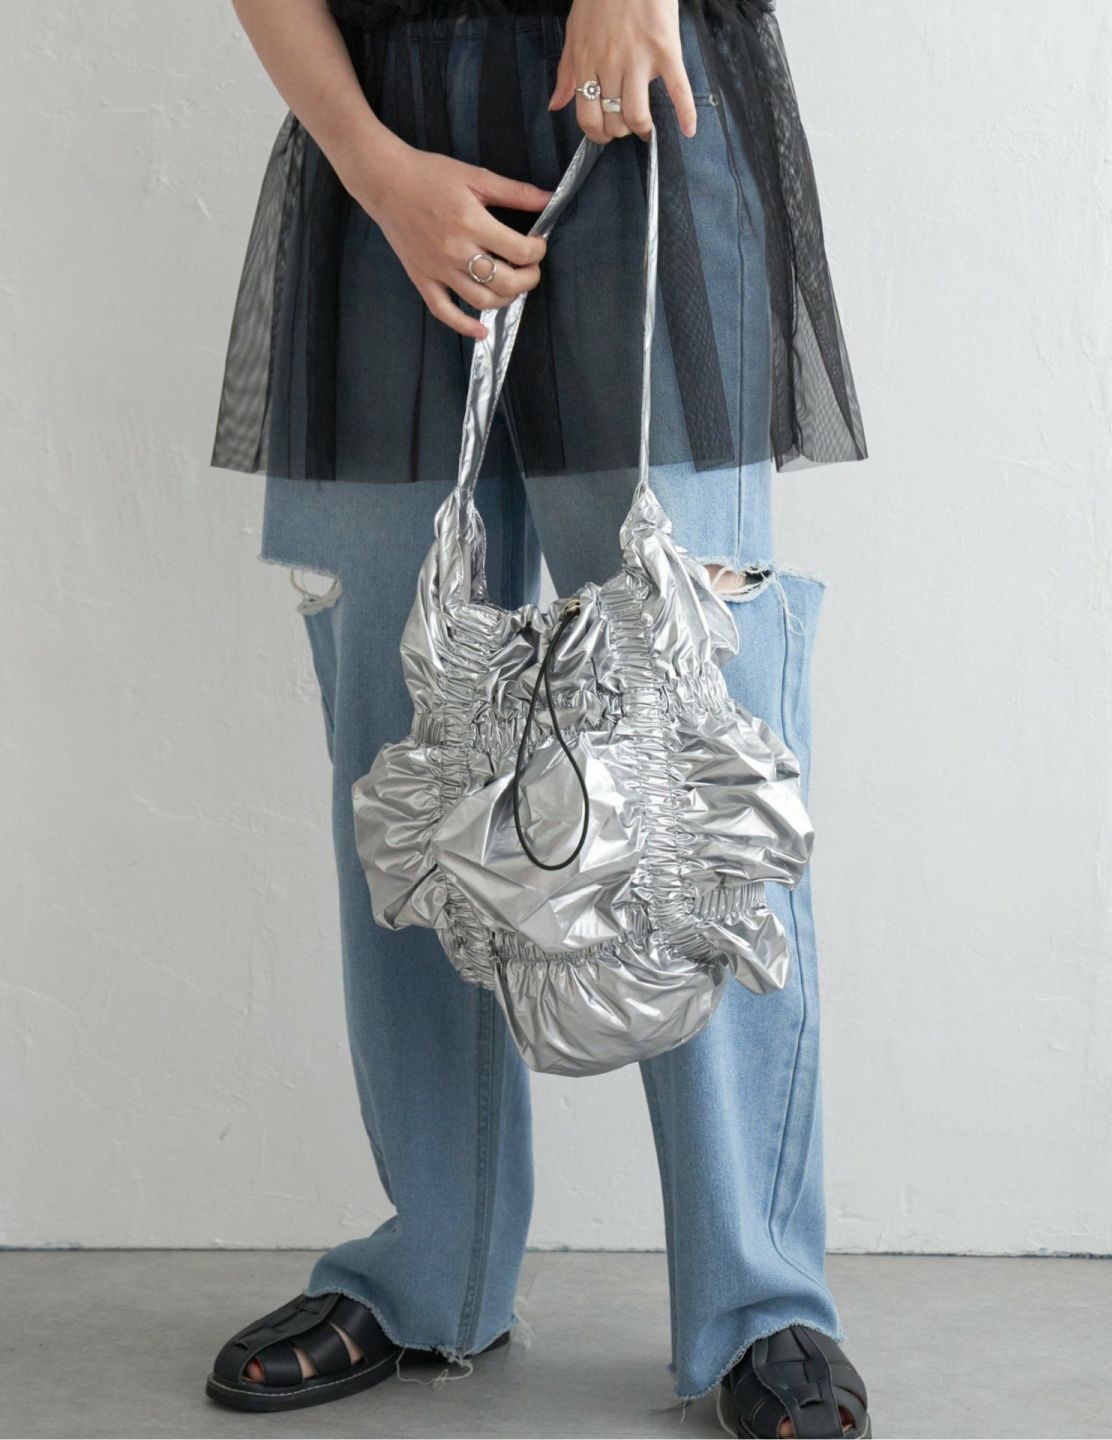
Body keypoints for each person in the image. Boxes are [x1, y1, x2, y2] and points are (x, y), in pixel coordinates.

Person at [206, 1, 870, 1435]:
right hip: (383, 141)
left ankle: (763, 1302)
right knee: (408, 753)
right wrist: (372, 164)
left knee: (690, 747)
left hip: (639, 115)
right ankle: (429, 1272)